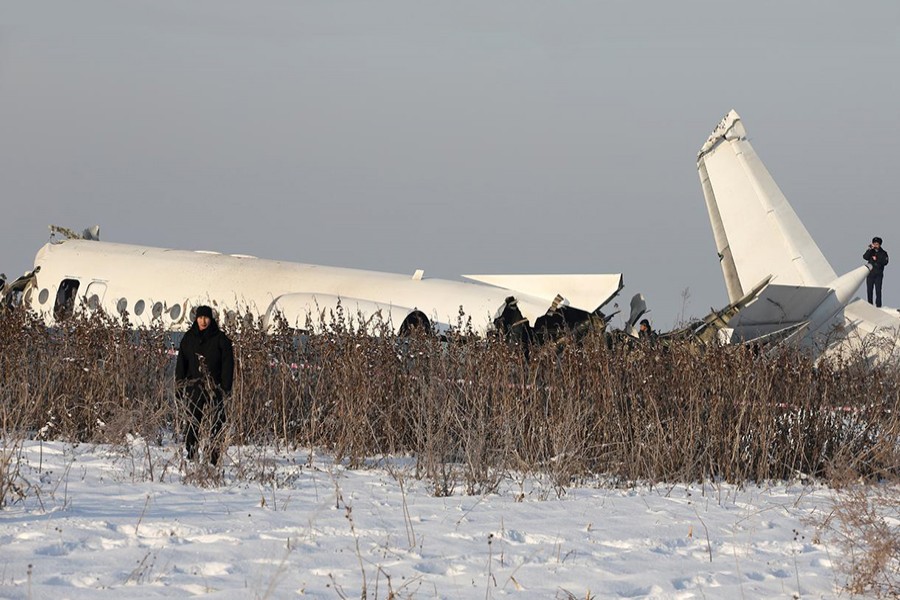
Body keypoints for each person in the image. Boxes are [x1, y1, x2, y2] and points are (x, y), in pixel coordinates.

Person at [175, 305, 234, 465]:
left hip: (215, 387)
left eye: (206, 318)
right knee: (193, 421)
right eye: (200, 317)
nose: (203, 321)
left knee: (218, 421)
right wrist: (179, 385)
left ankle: (214, 456)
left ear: (211, 319)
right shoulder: (189, 338)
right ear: (196, 318)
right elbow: (181, 363)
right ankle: (192, 453)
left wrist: (226, 387)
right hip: (195, 386)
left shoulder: (221, 339)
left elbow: (228, 364)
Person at [863, 237, 889, 307]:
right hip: (870, 274)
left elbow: (885, 262)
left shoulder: (883, 253)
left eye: (877, 244)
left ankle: (878, 306)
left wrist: (877, 260)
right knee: (869, 290)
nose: (875, 245)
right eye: (874, 244)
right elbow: (865, 257)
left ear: (880, 244)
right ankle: (869, 305)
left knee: (878, 291)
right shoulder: (871, 251)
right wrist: (869, 249)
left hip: (878, 274)